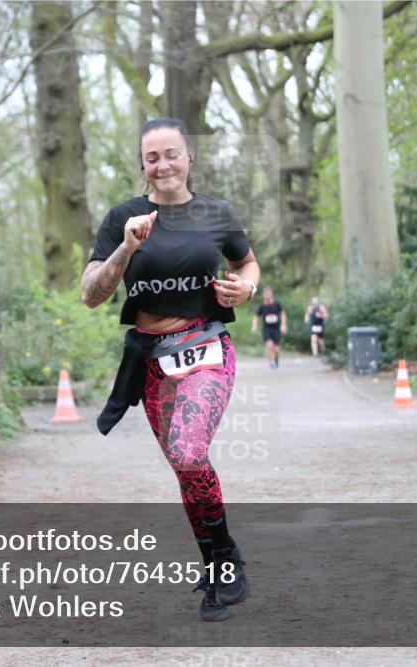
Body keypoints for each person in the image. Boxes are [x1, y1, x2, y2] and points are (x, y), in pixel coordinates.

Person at [81, 117, 260, 622]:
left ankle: (225, 561)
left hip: (205, 347)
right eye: (152, 157)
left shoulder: (216, 213)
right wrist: (126, 247)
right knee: (186, 469)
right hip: (152, 360)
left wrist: (244, 289)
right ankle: (219, 563)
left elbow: (248, 265)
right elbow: (91, 294)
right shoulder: (124, 217)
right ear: (142, 164)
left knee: (188, 449)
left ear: (189, 156)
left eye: (171, 154)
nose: (162, 164)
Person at [251, 287, 286, 369]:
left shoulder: (277, 304)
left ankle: (276, 359)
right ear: (263, 295)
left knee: (276, 349)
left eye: (269, 293)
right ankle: (271, 364)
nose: (267, 295)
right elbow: (256, 316)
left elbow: (282, 314)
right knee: (269, 345)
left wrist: (283, 325)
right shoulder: (262, 306)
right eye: (265, 294)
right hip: (267, 329)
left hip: (276, 329)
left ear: (272, 294)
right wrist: (254, 325)